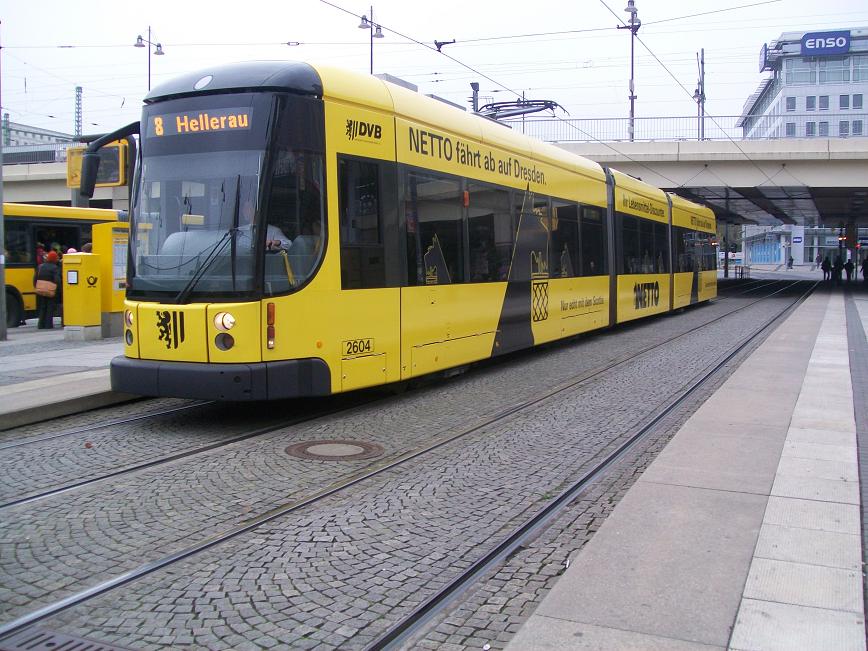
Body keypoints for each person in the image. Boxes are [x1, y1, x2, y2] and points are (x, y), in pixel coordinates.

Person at [35, 250, 61, 329]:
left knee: (43, 306)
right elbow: (57, 280)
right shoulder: (55, 268)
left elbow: (35, 278)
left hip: (41, 289)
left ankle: (40, 324)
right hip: (50, 290)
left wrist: (37, 287)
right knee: (50, 307)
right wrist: (58, 290)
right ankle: (48, 325)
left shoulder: (40, 266)